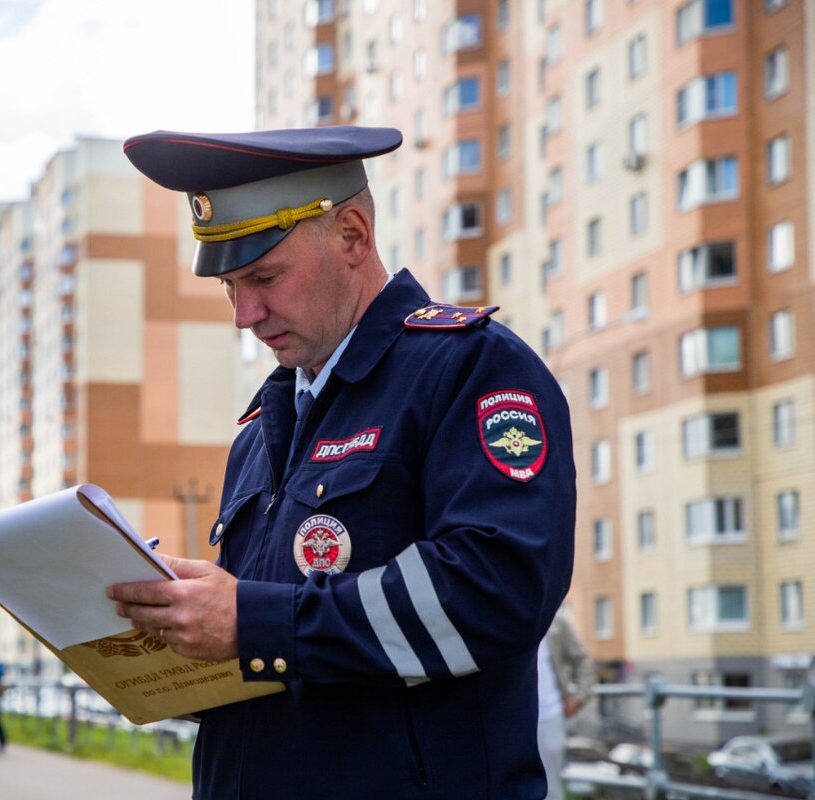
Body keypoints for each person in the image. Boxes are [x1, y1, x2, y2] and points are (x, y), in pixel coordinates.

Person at [108, 126, 577, 799]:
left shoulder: (468, 367)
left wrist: (252, 620)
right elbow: (286, 653)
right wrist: (182, 636)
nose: (245, 313)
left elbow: (497, 590)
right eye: (231, 286)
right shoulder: (261, 428)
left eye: (264, 277)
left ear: (353, 236)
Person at [538, 605, 595, 800]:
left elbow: (583, 660)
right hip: (509, 718)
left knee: (550, 789)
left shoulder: (555, 621)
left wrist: (579, 696)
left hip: (549, 716)